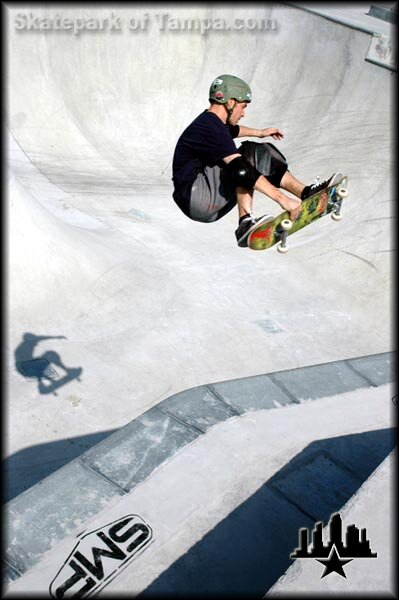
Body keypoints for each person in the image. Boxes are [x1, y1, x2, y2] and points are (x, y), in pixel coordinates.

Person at [172, 74, 341, 247]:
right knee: (245, 159)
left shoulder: (212, 123)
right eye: (243, 107)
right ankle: (246, 222)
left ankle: (305, 193)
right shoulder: (210, 127)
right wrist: (282, 200)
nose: (243, 113)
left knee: (255, 152)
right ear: (231, 102)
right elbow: (240, 168)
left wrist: (259, 133)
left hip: (200, 201)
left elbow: (234, 130)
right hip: (196, 195)